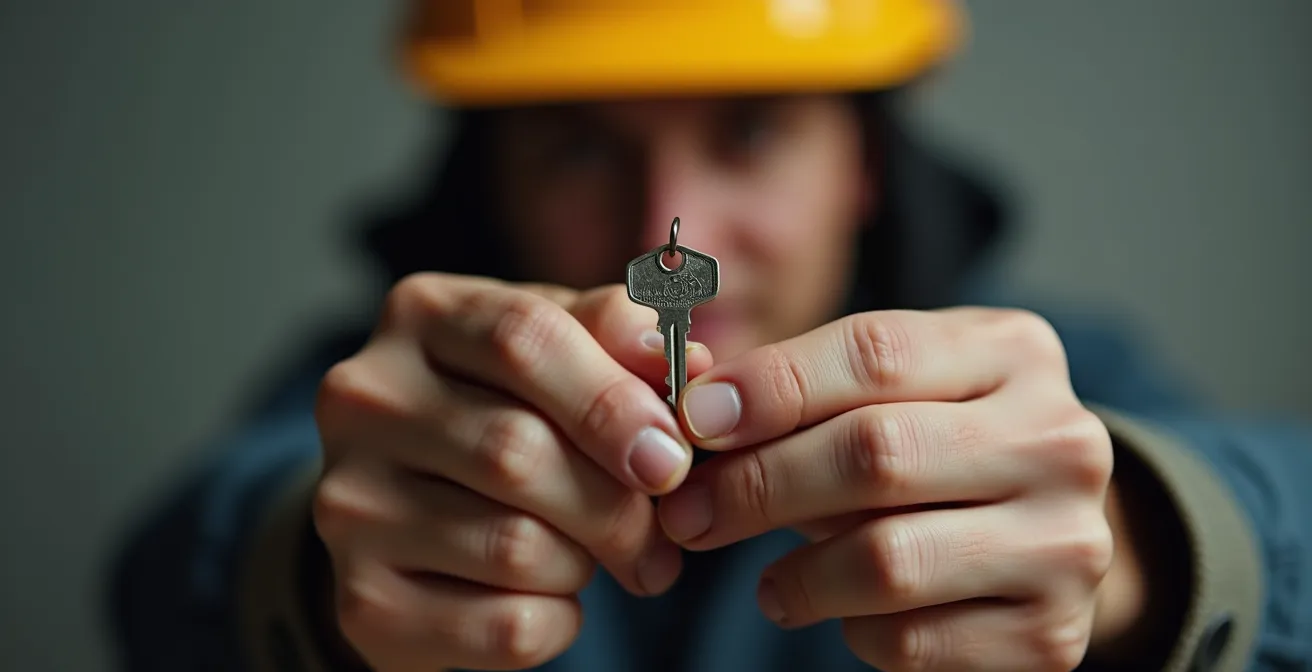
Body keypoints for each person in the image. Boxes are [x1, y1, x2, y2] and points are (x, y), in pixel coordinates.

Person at [107, 1, 1312, 671]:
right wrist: (323, 571)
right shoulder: (382, 391)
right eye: (580, 146)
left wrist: (1143, 543)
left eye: (748, 132)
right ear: (492, 183)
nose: (664, 229)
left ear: (867, 166)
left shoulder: (1047, 375)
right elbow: (170, 570)